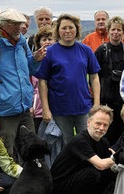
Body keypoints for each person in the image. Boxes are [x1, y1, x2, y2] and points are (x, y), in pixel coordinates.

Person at [0, 8, 45, 158]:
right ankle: (10, 182)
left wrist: (36, 59)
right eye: (14, 24)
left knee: (31, 149)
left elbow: (29, 71)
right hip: (4, 112)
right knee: (6, 153)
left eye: (20, 24)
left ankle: (31, 180)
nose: (19, 28)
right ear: (3, 26)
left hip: (24, 108)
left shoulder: (22, 44)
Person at [35, 13, 101, 144]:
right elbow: (42, 82)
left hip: (83, 106)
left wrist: (97, 103)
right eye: (64, 28)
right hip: (59, 108)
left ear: (76, 29)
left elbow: (94, 77)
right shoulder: (50, 52)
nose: (67, 31)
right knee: (65, 143)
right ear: (58, 31)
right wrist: (46, 109)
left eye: (71, 27)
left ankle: (84, 165)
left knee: (86, 141)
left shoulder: (86, 50)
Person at [51, 105, 122, 194]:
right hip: (59, 187)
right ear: (88, 122)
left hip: (78, 177)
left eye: (105, 125)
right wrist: (117, 158)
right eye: (98, 123)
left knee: (109, 172)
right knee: (93, 174)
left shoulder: (103, 142)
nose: (101, 128)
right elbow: (101, 164)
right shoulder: (80, 140)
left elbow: (108, 164)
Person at [94, 16, 124, 144]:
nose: (116, 32)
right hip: (107, 98)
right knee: (107, 131)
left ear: (123, 32)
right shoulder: (101, 50)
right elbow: (94, 76)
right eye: (113, 29)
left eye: (119, 30)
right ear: (108, 30)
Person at [31, 26, 55, 133]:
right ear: (39, 42)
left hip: (56, 106)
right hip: (38, 109)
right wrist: (31, 106)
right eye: (44, 40)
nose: (47, 42)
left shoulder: (58, 59)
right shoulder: (34, 60)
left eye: (50, 39)